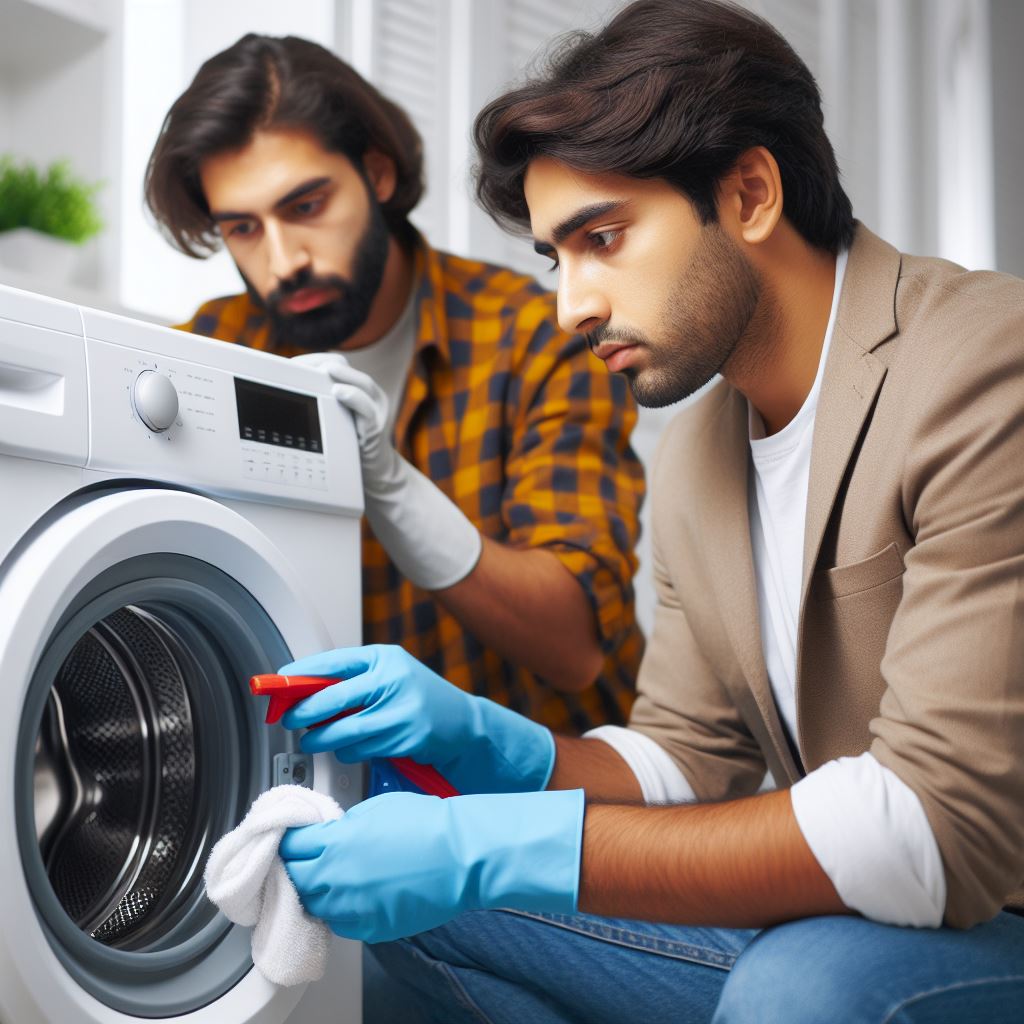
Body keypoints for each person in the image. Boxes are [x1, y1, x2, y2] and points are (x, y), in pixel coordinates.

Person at [271, 1, 1024, 1020]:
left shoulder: (985, 363)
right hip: (848, 911)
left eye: (603, 238)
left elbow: (937, 827)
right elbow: (688, 760)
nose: (570, 304)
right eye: (555, 257)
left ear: (749, 192)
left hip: (985, 911)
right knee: (383, 862)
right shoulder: (698, 452)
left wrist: (486, 843)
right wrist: (493, 745)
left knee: (799, 984)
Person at [143, 34, 645, 744]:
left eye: (308, 205)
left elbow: (576, 647)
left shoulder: (535, 336)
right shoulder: (214, 350)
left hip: (552, 802)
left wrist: (393, 490)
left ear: (376, 174)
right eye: (243, 228)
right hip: (326, 786)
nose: (284, 262)